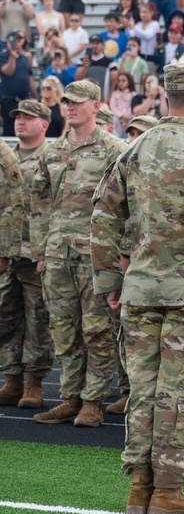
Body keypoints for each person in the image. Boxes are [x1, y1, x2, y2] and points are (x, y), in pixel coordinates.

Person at [90, 62, 184, 514]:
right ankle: (168, 491)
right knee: (182, 393)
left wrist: (109, 281)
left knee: (144, 390)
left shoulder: (134, 149)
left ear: (165, 97)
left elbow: (101, 216)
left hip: (139, 291)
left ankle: (140, 486)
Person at [28, 80, 126, 430]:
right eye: (67, 102)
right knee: (63, 328)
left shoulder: (114, 149)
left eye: (78, 102)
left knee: (97, 329)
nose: (70, 107)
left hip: (96, 256)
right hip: (57, 254)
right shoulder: (53, 152)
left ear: (96, 106)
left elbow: (126, 205)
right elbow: (38, 202)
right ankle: (69, 397)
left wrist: (119, 254)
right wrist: (41, 248)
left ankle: (92, 401)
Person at [0, 99, 50, 409]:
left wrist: (48, 249)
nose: (21, 122)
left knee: (38, 320)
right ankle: (12, 380)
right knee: (6, 318)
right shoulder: (6, 158)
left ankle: (34, 383)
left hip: (35, 252)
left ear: (44, 124)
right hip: (8, 252)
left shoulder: (52, 157)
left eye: (29, 118)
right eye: (18, 117)